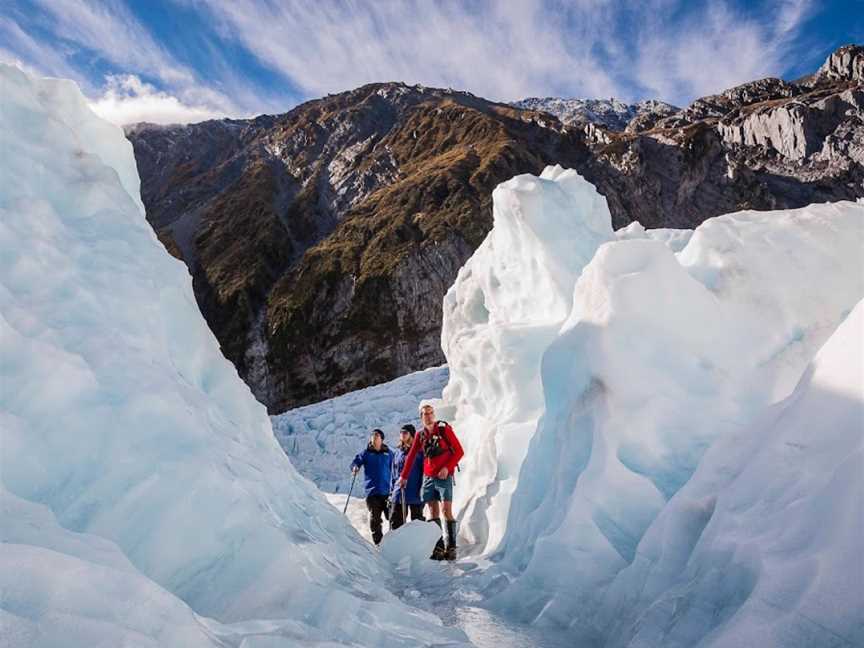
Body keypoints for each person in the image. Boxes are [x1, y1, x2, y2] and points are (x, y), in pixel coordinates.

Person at [399, 402, 464, 560]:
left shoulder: (444, 430)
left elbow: (459, 452)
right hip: (428, 478)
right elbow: (411, 457)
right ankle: (439, 547)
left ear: (434, 415)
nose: (428, 416)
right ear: (421, 417)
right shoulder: (420, 436)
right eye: (424, 414)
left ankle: (451, 547)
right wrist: (403, 476)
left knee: (446, 511)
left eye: (430, 413)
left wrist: (447, 468)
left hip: (444, 478)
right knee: (433, 512)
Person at [350, 429, 393, 545]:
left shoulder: (389, 453)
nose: (374, 438)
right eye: (372, 436)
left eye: (377, 436)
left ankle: (394, 541)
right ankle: (378, 543)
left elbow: (397, 465)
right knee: (375, 519)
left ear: (382, 439)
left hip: (387, 491)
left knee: (392, 517)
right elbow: (356, 461)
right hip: (372, 492)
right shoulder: (366, 453)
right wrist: (355, 467)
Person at [389, 423, 425, 530]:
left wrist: (423, 491)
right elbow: (393, 473)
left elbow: (424, 472)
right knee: (395, 522)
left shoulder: (420, 452)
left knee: (417, 524)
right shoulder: (398, 452)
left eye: (405, 432)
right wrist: (391, 492)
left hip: (415, 494)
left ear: (412, 435)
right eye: (401, 433)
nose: (402, 435)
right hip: (399, 493)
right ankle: (396, 545)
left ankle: (418, 545)